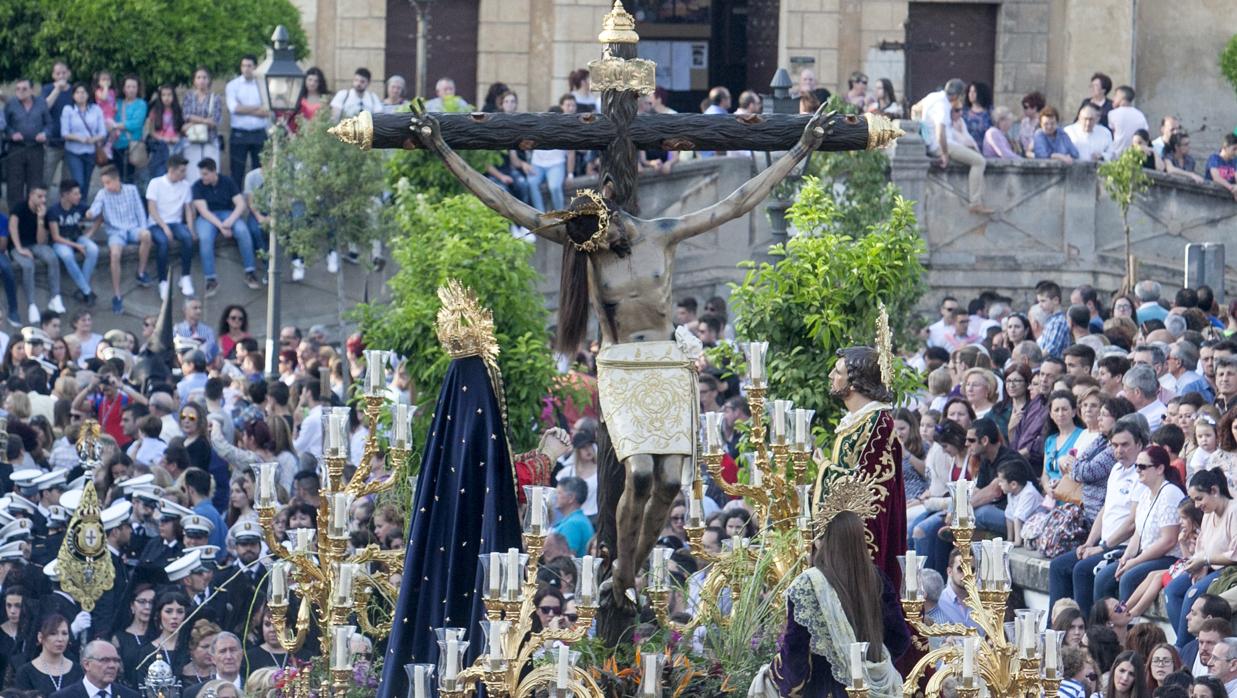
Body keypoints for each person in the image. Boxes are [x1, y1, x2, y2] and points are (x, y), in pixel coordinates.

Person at [765, 512, 909, 697]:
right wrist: (870, 666)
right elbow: (899, 638)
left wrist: (777, 678)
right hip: (876, 688)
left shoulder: (807, 584)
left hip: (824, 688)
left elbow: (795, 652)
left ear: (822, 541)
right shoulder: (877, 578)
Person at [1048, 417, 1146, 616]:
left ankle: (1087, 632)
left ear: (1139, 444)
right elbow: (1105, 509)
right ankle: (1058, 629)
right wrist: (1089, 542)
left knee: (1082, 570)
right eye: (1115, 445)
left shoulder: (1141, 474)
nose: (1119, 450)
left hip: (1124, 547)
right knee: (1058, 565)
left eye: (1125, 445)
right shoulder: (1116, 469)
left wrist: (1101, 548)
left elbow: (1132, 524)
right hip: (1104, 542)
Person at [913, 78, 990, 214]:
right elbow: (940, 131)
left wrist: (922, 132)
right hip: (941, 144)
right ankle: (975, 203)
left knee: (972, 152)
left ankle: (977, 201)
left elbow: (915, 109)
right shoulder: (943, 106)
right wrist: (944, 154)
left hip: (934, 143)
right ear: (956, 95)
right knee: (979, 161)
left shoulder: (933, 96)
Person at [191, 157, 261, 294]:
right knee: (205, 238)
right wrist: (222, 226)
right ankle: (210, 279)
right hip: (208, 217)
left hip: (227, 213)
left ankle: (250, 272)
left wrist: (230, 221)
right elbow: (203, 211)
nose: (202, 177)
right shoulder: (197, 186)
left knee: (242, 230)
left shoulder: (227, 182)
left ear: (214, 172)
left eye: (205, 174)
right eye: (201, 174)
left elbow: (241, 204)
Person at [8, 185, 66, 322]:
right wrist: (20, 248)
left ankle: (55, 297)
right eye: (40, 196)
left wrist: (40, 219)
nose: (43, 200)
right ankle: (31, 305)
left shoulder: (43, 211)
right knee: (28, 265)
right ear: (31, 195)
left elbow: (40, 241)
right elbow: (12, 228)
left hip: (34, 244)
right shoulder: (19, 208)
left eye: (45, 197)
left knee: (52, 257)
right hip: (17, 246)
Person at [146, 153, 197, 298]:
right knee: (162, 242)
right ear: (172, 170)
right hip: (156, 223)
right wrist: (164, 226)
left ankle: (185, 276)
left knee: (187, 238)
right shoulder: (155, 183)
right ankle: (163, 281)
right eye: (182, 170)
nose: (184, 173)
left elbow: (188, 208)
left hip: (176, 222)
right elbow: (152, 209)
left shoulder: (185, 185)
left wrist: (191, 228)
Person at [4, 78, 52, 210]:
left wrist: (45, 133)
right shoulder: (11, 104)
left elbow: (49, 124)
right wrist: (12, 134)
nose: (20, 92)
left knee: (35, 183)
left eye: (24, 89)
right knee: (14, 184)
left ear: (31, 90)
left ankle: (34, 214)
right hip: (16, 149)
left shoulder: (41, 103)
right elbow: (5, 125)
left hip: (36, 148)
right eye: (17, 89)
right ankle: (15, 214)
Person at [224, 55, 269, 181]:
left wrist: (243, 109)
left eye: (249, 66)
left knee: (260, 171)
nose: (246, 69)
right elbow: (234, 108)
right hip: (239, 133)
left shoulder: (263, 85)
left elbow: (267, 111)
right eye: (243, 66)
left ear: (255, 67)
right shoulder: (232, 85)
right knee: (236, 171)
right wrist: (257, 109)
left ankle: (258, 200)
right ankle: (236, 200)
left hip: (259, 133)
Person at [13, 614, 84, 694]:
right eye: (53, 633)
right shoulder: (25, 673)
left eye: (64, 633)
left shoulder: (78, 670)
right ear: (40, 637)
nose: (60, 639)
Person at [60, 82, 107, 197]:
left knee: (86, 183)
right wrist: (79, 138)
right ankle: (76, 205)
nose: (80, 95)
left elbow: (103, 132)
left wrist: (93, 139)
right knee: (79, 182)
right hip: (73, 151)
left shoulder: (96, 109)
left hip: (90, 151)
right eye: (77, 92)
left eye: (83, 92)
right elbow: (64, 133)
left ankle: (82, 208)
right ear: (73, 95)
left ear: (88, 95)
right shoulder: (68, 110)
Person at [49, 639, 138, 698]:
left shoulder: (131, 696)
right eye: (105, 660)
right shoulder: (63, 697)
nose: (112, 665)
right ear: (87, 664)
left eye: (116, 660)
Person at [181, 67, 223, 185]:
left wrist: (193, 122)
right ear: (194, 81)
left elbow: (215, 121)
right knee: (192, 173)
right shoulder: (189, 97)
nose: (201, 80)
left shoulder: (215, 98)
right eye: (198, 77)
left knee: (212, 172)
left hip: (210, 139)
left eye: (204, 77)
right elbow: (186, 115)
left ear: (209, 80)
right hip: (192, 140)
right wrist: (205, 120)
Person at [111, 75, 147, 186]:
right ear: (124, 88)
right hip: (117, 145)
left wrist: (117, 126)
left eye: (134, 87)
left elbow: (136, 124)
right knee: (118, 176)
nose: (131, 89)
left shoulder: (141, 104)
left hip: (133, 145)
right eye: (128, 86)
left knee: (130, 178)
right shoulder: (118, 103)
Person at [146, 84, 184, 179]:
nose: (167, 98)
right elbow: (151, 130)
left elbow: (180, 128)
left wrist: (177, 137)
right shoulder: (155, 111)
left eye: (169, 95)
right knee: (161, 172)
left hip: (175, 145)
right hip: (160, 145)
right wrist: (162, 138)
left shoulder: (178, 111)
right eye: (164, 95)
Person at [551, 476, 593, 556]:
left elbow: (566, 558)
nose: (555, 497)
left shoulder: (573, 524)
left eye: (559, 493)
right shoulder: (577, 520)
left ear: (571, 498)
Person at [1105, 85, 1149, 160]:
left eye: (1116, 96)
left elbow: (1110, 134)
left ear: (1122, 98)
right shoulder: (1140, 115)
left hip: (1117, 155)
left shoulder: (1113, 113)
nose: (1113, 99)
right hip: (1135, 156)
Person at [1204, 133, 1237, 199]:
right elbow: (1216, 178)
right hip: (1211, 196)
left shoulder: (1234, 161)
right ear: (1225, 148)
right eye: (1234, 149)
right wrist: (1231, 188)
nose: (1236, 152)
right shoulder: (1214, 158)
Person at [963, 81, 993, 147]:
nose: (971, 94)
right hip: (968, 148)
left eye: (974, 92)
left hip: (986, 149)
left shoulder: (990, 112)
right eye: (970, 91)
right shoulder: (963, 112)